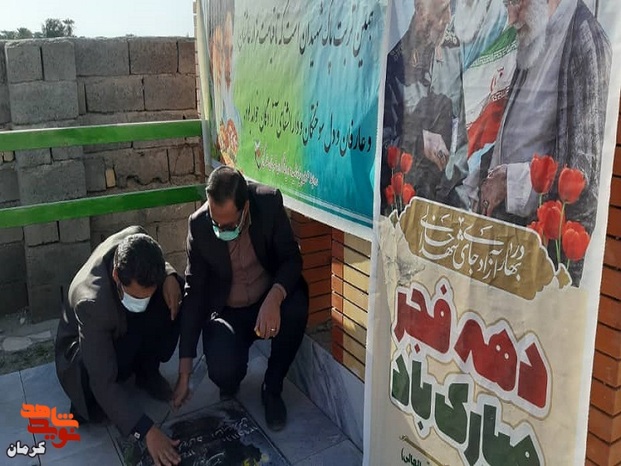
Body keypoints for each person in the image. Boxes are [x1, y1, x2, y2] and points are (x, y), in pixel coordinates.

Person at [478, 0, 611, 283]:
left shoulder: (586, 41)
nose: (511, 17)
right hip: (501, 239)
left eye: (517, 3)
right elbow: (517, 133)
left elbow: (583, 180)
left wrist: (509, 182)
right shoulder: (534, 31)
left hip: (537, 258)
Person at [172, 166, 309, 431]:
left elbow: (292, 259)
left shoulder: (268, 204)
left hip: (266, 300)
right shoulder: (199, 225)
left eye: (229, 225)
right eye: (216, 223)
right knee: (223, 371)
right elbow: (194, 292)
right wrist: (185, 368)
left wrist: (275, 296)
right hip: (228, 312)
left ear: (245, 207)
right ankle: (232, 376)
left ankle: (272, 387)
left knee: (296, 305)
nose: (221, 229)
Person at [55, 226, 184, 466]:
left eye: (146, 295)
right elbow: (102, 381)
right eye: (136, 296)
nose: (142, 302)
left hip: (120, 322)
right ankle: (93, 403)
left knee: (174, 292)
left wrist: (169, 277)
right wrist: (146, 430)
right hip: (83, 353)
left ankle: (146, 373)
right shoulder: (92, 302)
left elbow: (159, 262)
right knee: (100, 387)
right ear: (116, 275)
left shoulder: (138, 239)